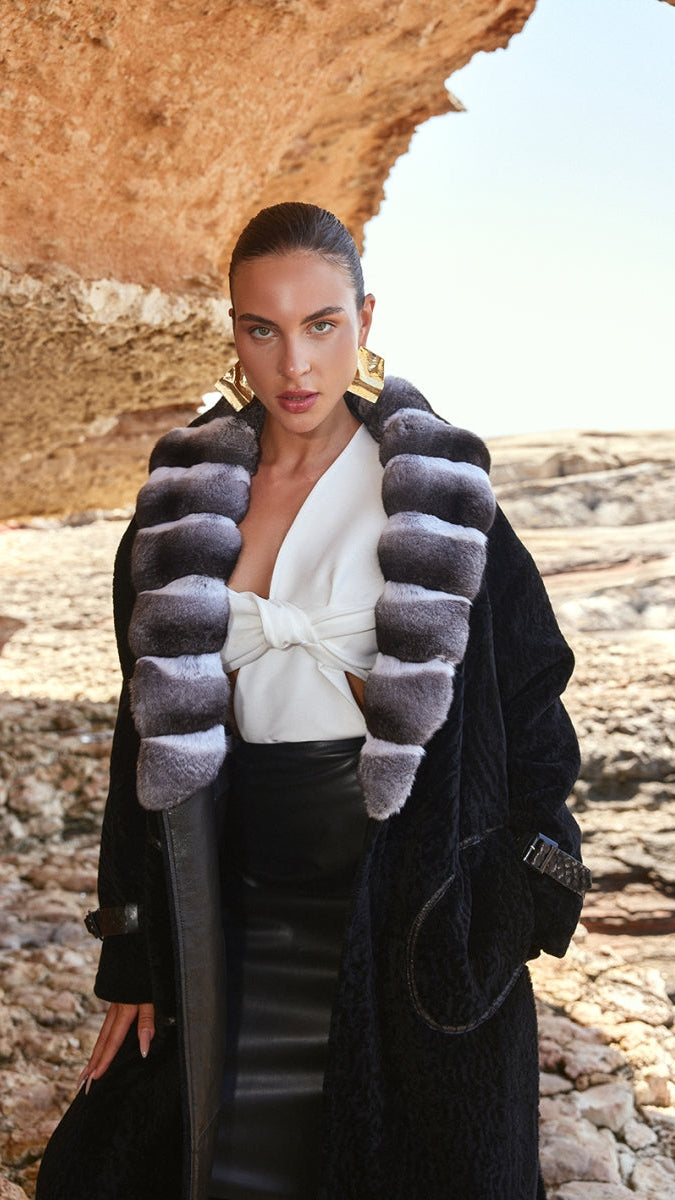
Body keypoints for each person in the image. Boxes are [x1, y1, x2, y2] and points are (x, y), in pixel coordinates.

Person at [37, 202, 590, 1200]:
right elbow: (141, 741)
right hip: (232, 902)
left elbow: (535, 707)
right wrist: (132, 953)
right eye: (263, 329)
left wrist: (509, 905)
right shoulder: (178, 506)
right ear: (234, 332)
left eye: (321, 324)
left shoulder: (438, 495)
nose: (293, 364)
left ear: (364, 321)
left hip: (406, 913)